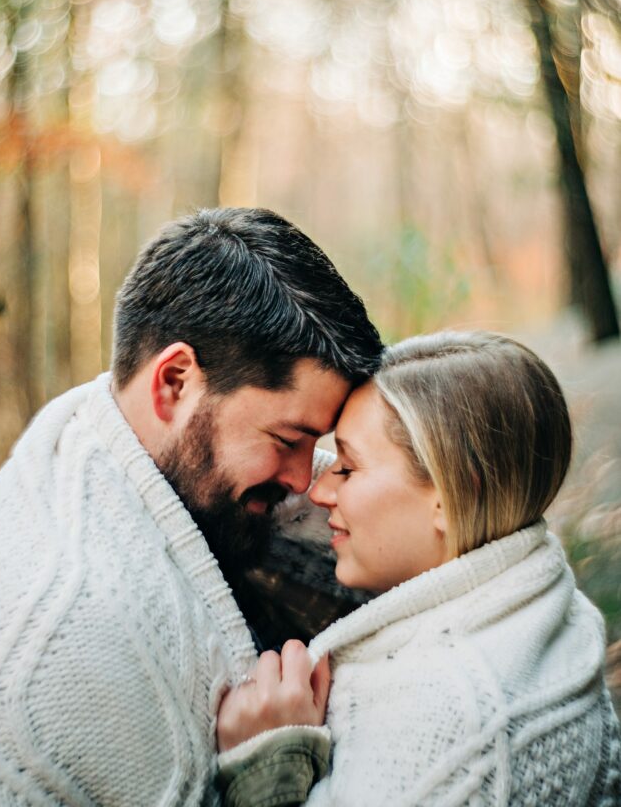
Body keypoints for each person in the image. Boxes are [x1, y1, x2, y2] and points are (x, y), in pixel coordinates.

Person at [0, 207, 382, 807]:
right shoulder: (73, 637)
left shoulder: (128, 445)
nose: (305, 480)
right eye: (286, 440)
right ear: (173, 381)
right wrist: (267, 775)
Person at [216, 331, 621, 807]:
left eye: (347, 467)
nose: (319, 489)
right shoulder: (538, 615)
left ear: (449, 497)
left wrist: (265, 771)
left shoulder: (450, 732)